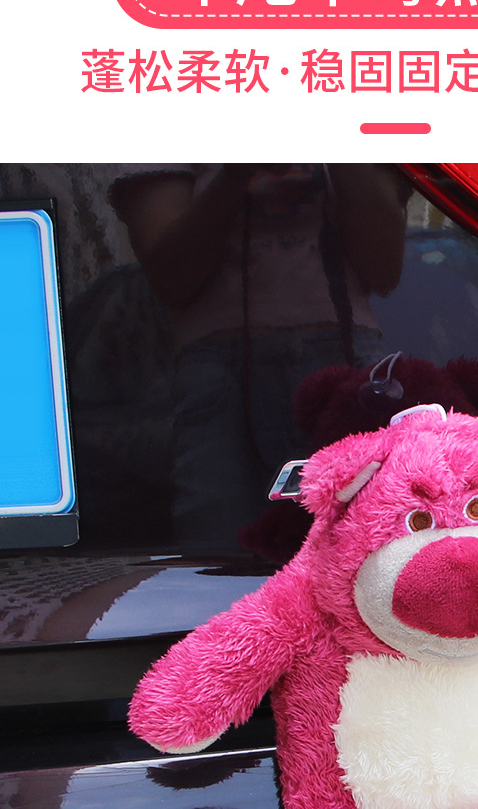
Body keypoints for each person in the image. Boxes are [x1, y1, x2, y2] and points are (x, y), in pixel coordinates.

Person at [110, 163, 408, 552]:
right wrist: (238, 170)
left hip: (329, 359)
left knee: (368, 549)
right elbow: (173, 279)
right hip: (227, 371)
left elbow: (384, 267)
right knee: (220, 551)